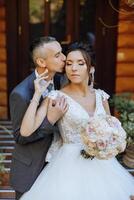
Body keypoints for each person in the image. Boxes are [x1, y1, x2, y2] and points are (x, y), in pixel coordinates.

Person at [20, 42, 134, 200]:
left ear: (91, 68)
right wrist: (38, 94)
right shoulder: (56, 97)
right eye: (69, 63)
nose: (73, 68)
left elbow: (112, 130)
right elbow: (25, 131)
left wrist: (109, 143)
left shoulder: (102, 96)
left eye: (80, 63)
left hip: (103, 166)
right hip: (67, 167)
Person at [9, 36, 68, 200]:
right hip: (32, 169)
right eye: (57, 55)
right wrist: (50, 121)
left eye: (62, 53)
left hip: (61, 166)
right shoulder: (20, 94)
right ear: (41, 62)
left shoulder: (63, 81)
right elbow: (20, 136)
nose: (64, 58)